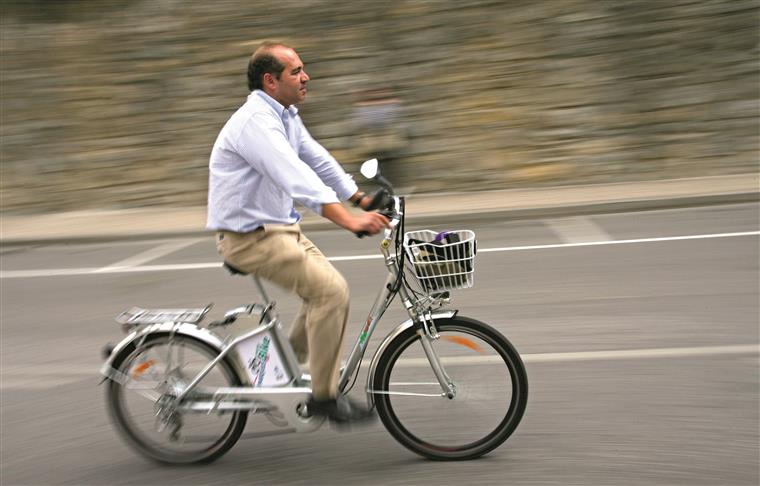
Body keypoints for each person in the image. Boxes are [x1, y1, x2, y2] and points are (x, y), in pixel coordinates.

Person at [206, 42, 389, 423]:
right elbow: (298, 177)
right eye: (296, 72)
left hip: (279, 229)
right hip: (250, 238)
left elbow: (316, 157)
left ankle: (263, 373)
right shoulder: (256, 123)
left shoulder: (286, 115)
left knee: (322, 294)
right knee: (331, 293)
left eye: (303, 69)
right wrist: (350, 220)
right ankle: (324, 397)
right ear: (270, 81)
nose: (306, 77)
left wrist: (358, 198)